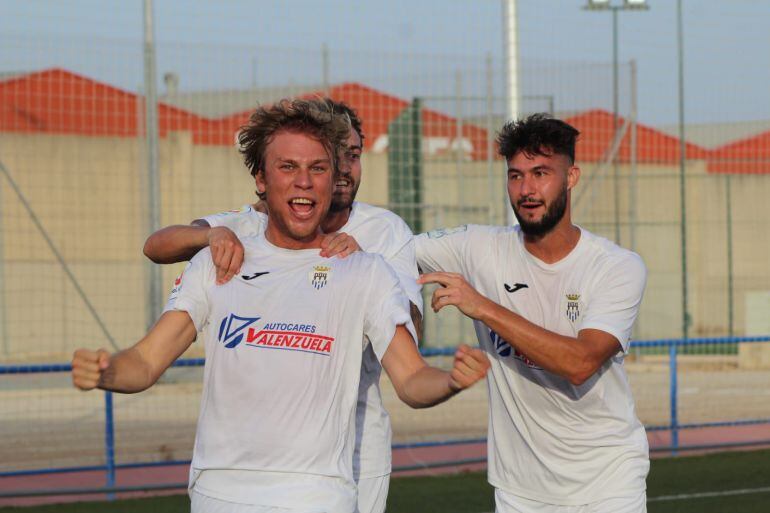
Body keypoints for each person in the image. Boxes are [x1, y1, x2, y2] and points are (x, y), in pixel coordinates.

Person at [72, 98, 489, 513]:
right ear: (261, 179)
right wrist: (107, 370)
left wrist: (449, 381)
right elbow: (145, 362)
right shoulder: (220, 259)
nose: (304, 181)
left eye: (318, 168)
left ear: (332, 179)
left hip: (317, 494)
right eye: (288, 167)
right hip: (219, 492)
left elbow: (412, 377)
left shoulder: (365, 269)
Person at [143, 101, 421, 513]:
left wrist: (364, 275)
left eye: (354, 155)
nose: (345, 167)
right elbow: (157, 245)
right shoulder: (252, 222)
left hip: (358, 444)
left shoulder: (384, 230)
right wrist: (212, 234)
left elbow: (411, 328)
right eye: (336, 154)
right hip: (249, 465)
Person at [415, 114, 648, 512]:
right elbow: (390, 250)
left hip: (606, 481)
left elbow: (580, 362)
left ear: (571, 176)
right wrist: (349, 239)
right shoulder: (478, 247)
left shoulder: (616, 266)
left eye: (541, 173)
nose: (527, 189)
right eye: (515, 175)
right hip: (519, 489)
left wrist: (483, 307)